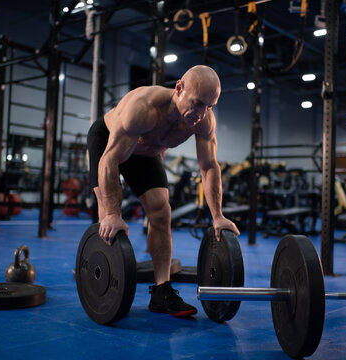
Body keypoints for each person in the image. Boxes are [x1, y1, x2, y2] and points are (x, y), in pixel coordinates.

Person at [87, 65, 240, 317]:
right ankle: (107, 289)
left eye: (209, 106)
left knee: (161, 212)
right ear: (179, 88)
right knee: (108, 218)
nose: (201, 113)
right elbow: (109, 160)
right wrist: (113, 212)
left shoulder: (203, 122)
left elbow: (210, 167)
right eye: (198, 103)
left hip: (145, 153)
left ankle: (161, 291)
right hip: (108, 143)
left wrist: (217, 216)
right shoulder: (142, 107)